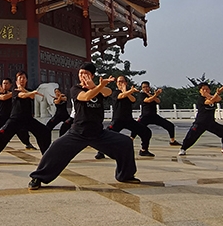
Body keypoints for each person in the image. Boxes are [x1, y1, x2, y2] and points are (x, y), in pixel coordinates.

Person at [27, 62, 139, 190]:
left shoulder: (99, 88)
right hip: (78, 132)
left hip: (98, 133)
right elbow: (85, 97)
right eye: (80, 73)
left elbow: (107, 92)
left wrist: (98, 86)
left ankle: (125, 175)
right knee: (55, 150)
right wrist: (97, 87)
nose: (82, 76)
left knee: (125, 143)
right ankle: (38, 177)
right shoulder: (75, 88)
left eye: (86, 73)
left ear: (91, 75)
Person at [0, 71, 51, 163]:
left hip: (28, 119)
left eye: (24, 78)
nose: (22, 80)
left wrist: (30, 92)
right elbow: (22, 95)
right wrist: (30, 92)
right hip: (15, 119)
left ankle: (46, 156)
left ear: (26, 80)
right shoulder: (14, 91)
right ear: (16, 81)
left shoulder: (30, 90)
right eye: (20, 78)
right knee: (1, 135)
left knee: (45, 132)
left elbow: (31, 97)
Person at [95, 76, 154, 158]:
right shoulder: (115, 92)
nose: (120, 83)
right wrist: (129, 91)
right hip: (117, 120)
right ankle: (101, 152)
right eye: (119, 81)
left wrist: (128, 91)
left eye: (122, 81)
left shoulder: (129, 93)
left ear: (126, 83)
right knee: (106, 134)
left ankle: (144, 150)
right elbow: (121, 96)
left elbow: (133, 100)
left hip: (129, 120)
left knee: (146, 132)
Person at [178, 82, 223, 156]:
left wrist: (217, 94)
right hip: (200, 123)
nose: (205, 91)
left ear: (210, 90)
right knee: (191, 136)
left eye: (207, 89)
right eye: (203, 89)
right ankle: (183, 149)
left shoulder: (213, 97)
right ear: (200, 91)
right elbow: (210, 101)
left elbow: (218, 99)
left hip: (210, 123)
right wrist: (216, 93)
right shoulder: (200, 99)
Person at [138, 81, 180, 146]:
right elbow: (148, 100)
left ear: (149, 87)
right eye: (144, 87)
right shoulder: (141, 95)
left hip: (154, 116)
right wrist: (155, 95)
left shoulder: (152, 94)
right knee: (136, 127)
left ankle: (172, 141)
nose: (145, 88)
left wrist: (153, 95)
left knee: (170, 125)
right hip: (145, 116)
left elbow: (158, 101)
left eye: (146, 87)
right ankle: (130, 139)